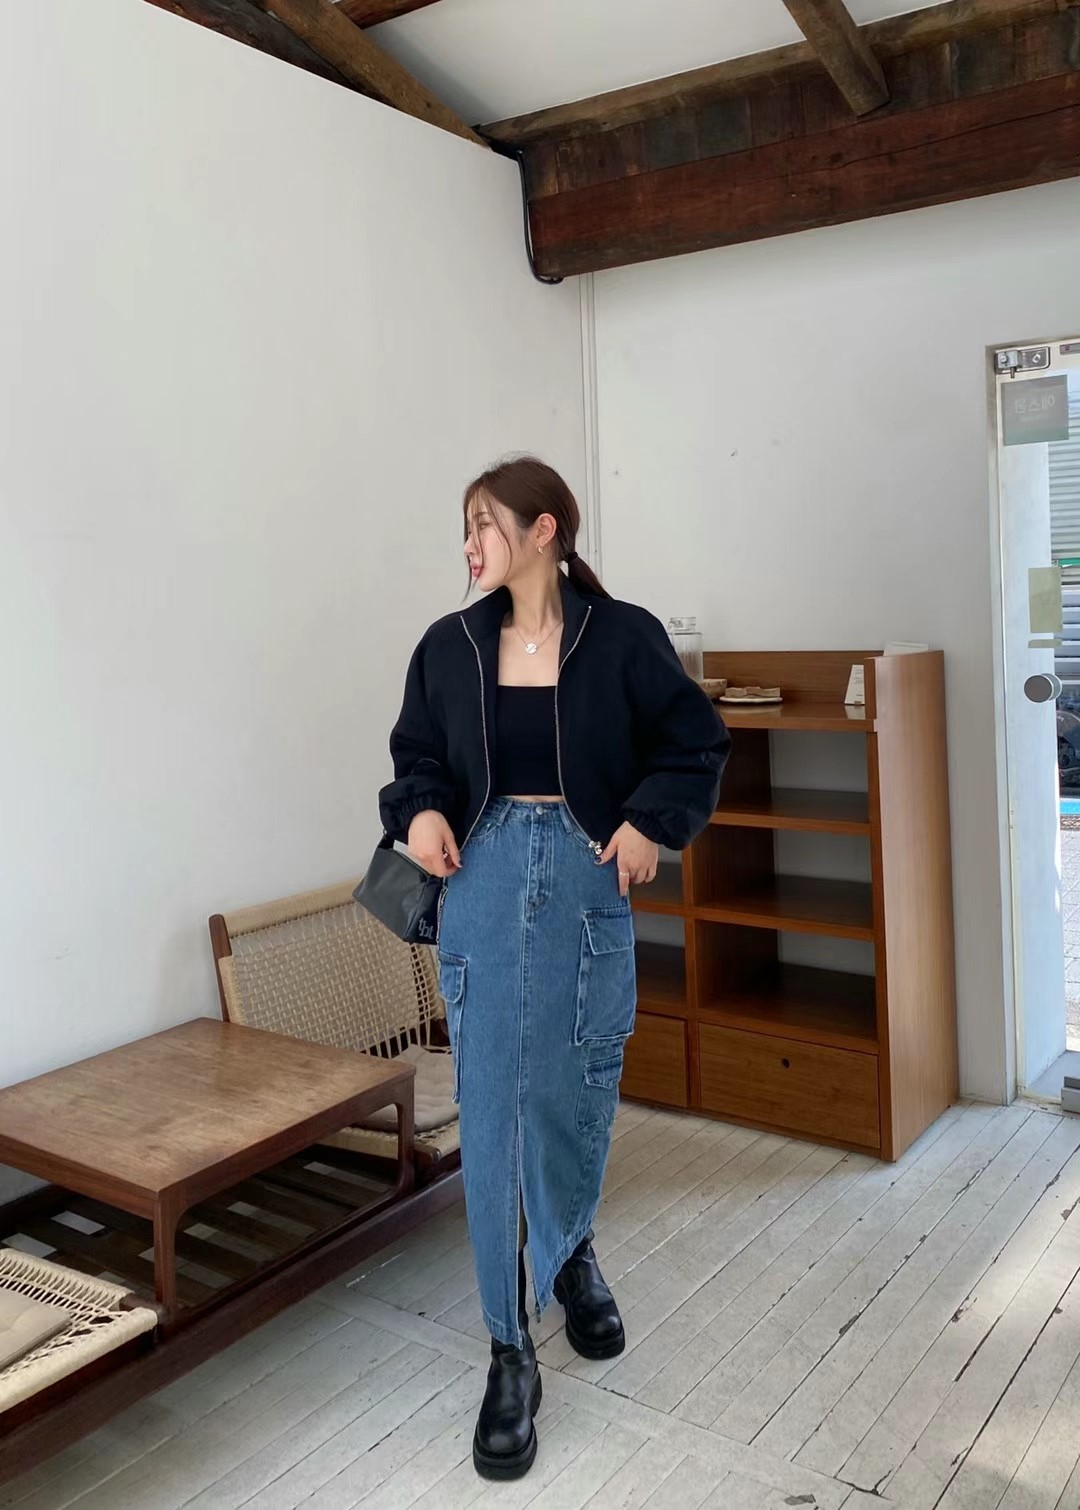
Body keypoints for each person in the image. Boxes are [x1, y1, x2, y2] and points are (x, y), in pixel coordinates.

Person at [379, 455, 730, 1480]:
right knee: (492, 1112)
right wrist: (424, 812)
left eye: (483, 524)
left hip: (586, 880)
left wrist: (650, 823)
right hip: (481, 882)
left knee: (575, 1095)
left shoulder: (622, 637)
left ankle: (572, 1253)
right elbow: (415, 758)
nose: (468, 545)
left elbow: (695, 742)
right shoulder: (447, 646)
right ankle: (508, 1349)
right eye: (463, 528)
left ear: (543, 530)